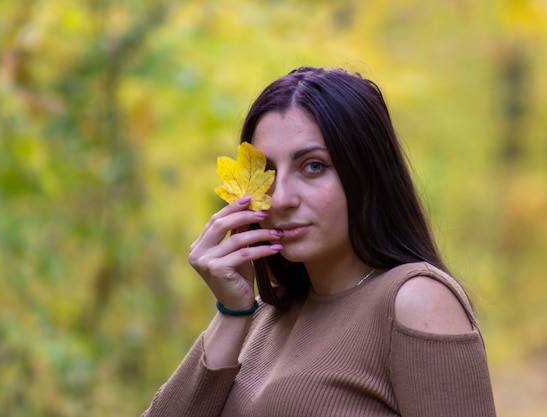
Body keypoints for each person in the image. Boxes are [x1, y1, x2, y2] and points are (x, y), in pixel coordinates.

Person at [141, 67, 497, 417]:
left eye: (313, 167)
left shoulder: (414, 300)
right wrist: (233, 311)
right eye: (267, 172)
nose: (280, 199)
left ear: (367, 174)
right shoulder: (268, 315)